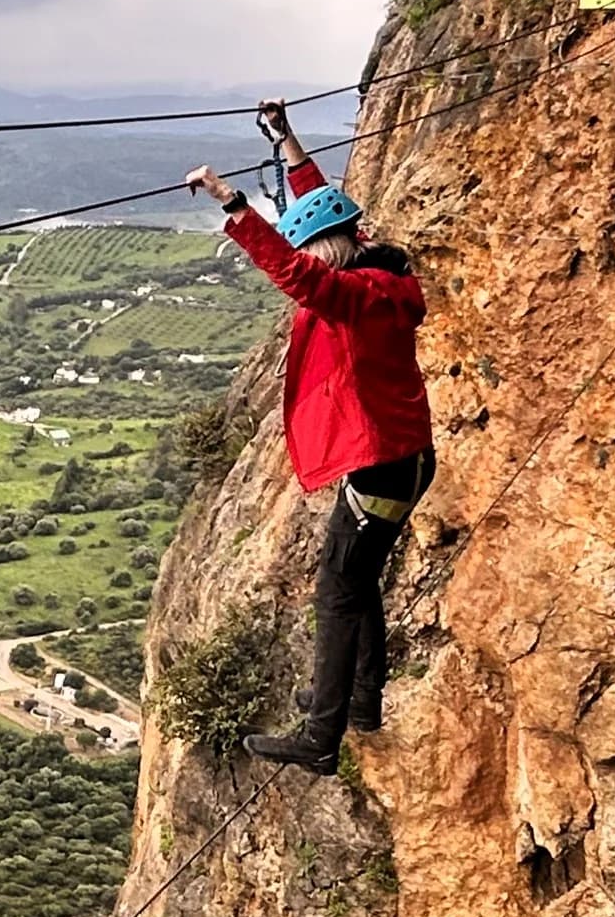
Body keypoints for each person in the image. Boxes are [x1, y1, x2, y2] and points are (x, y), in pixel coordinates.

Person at [185, 103, 436, 771]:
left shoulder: (355, 297)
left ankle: (320, 736)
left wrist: (232, 205)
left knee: (336, 590)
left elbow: (299, 272)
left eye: (311, 253)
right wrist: (285, 140)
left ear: (327, 253)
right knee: (356, 581)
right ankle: (357, 700)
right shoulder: (379, 276)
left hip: (383, 465)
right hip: (397, 459)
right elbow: (321, 209)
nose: (306, 264)